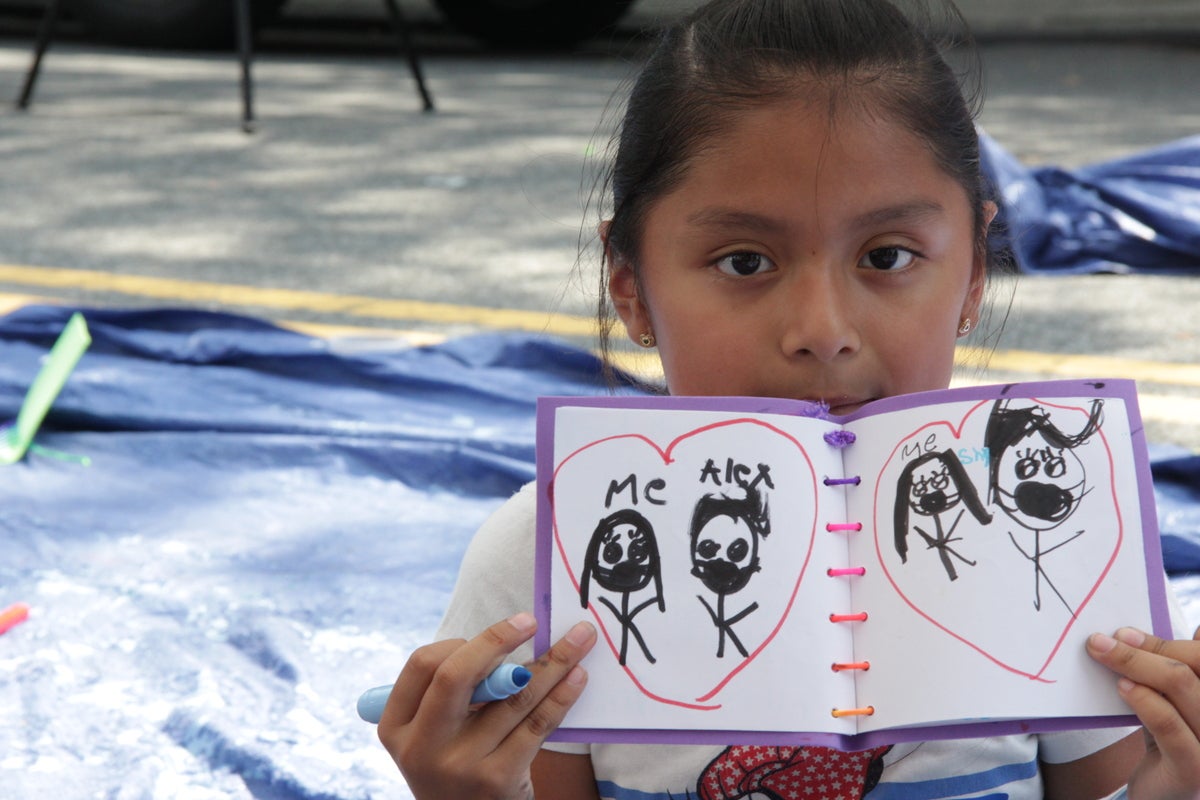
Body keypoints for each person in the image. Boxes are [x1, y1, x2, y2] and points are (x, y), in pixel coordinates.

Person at [375, 0, 1200, 797]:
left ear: (974, 274)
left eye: (887, 256)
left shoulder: (1052, 535)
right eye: (743, 261)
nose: (822, 329)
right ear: (630, 287)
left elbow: (1112, 790)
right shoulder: (542, 566)